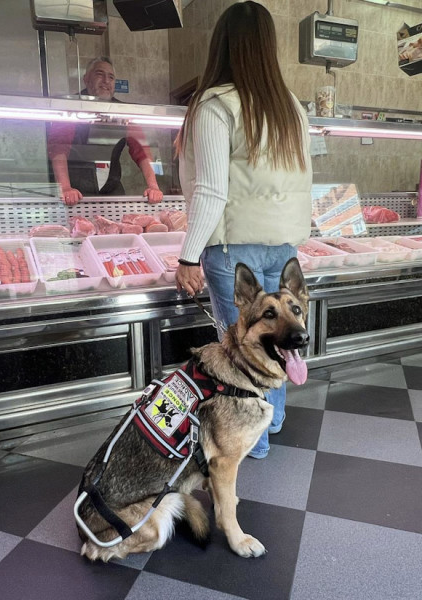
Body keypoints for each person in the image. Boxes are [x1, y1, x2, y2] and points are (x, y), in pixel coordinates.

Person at [174, 2, 312, 459]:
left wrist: (188, 256)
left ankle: (251, 440)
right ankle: (274, 421)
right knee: (281, 339)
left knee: (240, 350)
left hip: (235, 253)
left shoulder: (217, 104)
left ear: (222, 45)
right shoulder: (291, 106)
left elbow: (211, 191)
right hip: (283, 247)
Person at [47, 57, 164, 205]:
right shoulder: (71, 108)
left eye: (111, 77)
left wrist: (153, 186)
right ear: (86, 79)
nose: (106, 81)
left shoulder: (123, 112)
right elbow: (58, 148)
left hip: (111, 189)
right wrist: (65, 188)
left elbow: (142, 150)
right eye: (99, 74)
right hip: (75, 192)